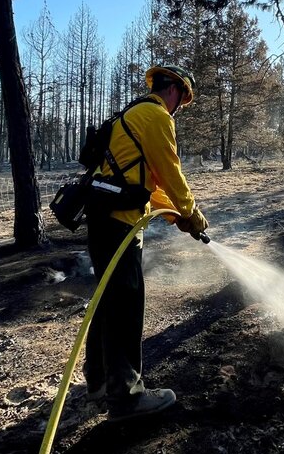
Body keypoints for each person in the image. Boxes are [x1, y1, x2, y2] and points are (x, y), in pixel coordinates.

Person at [85, 64, 209, 422]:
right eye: (182, 102)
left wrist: (178, 218)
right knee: (125, 305)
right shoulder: (155, 116)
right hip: (119, 226)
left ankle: (98, 382)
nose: (179, 109)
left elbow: (146, 185)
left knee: (109, 302)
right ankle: (125, 397)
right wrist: (192, 213)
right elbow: (171, 173)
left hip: (104, 220)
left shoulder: (133, 114)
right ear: (173, 90)